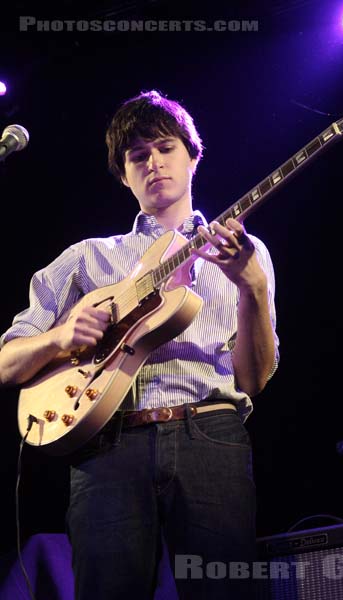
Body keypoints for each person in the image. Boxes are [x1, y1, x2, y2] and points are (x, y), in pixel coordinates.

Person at [0, 90, 279, 599]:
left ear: (194, 157)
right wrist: (62, 336)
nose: (153, 163)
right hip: (107, 445)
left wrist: (253, 287)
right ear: (123, 175)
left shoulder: (246, 254)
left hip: (210, 435)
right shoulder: (87, 259)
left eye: (165, 148)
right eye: (137, 156)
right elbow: (6, 362)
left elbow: (253, 378)